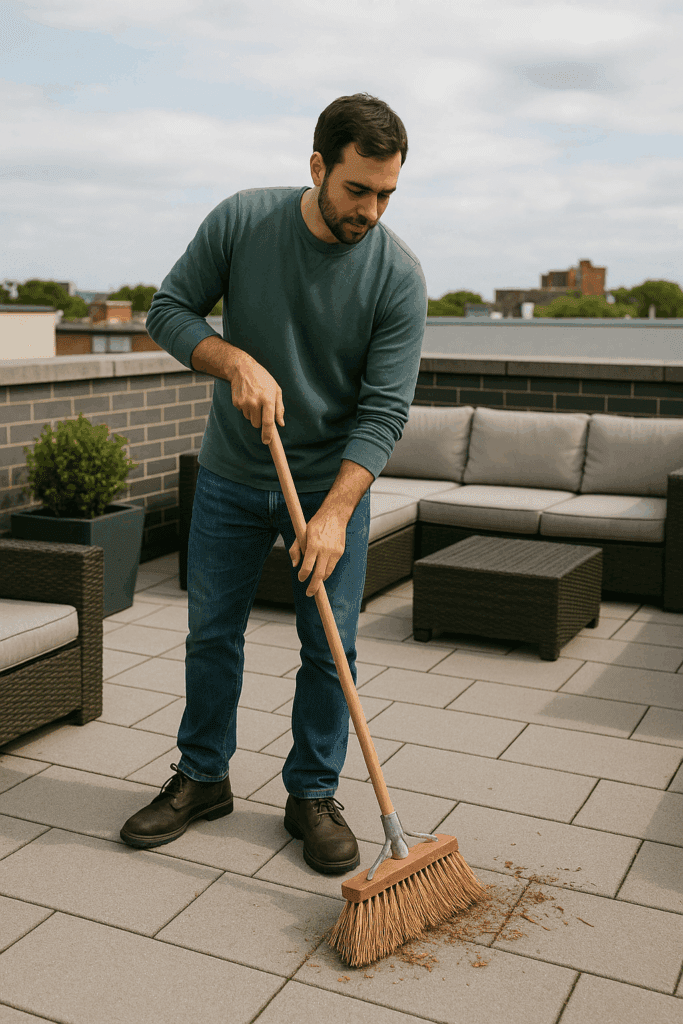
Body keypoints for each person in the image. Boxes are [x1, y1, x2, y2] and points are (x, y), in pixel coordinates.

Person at [120, 93, 428, 874]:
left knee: (331, 649)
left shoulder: (397, 276)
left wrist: (331, 515)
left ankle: (312, 794)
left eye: (386, 192)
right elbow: (169, 310)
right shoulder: (241, 221)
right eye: (358, 189)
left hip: (330, 488)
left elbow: (384, 411)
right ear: (318, 166)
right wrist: (232, 360)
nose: (370, 209)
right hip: (230, 474)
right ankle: (202, 776)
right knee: (211, 634)